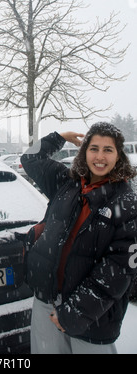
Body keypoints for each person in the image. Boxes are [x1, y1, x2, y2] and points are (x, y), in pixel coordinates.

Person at [20, 122, 137, 354]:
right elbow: (29, 159)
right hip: (47, 302)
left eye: (108, 150)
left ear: (119, 156)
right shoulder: (67, 182)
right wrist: (58, 137)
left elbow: (118, 269)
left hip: (94, 317)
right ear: (84, 152)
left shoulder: (127, 204)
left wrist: (74, 314)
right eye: (94, 148)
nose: (100, 157)